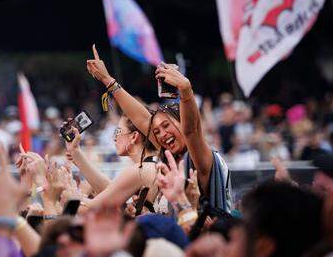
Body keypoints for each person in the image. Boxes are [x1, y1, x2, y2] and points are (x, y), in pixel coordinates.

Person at [86, 45, 232, 212]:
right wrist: (108, 81)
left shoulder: (200, 157)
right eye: (156, 132)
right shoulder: (172, 161)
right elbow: (142, 119)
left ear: (181, 122)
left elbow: (191, 131)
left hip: (212, 237)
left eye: (166, 125)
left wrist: (185, 89)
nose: (162, 134)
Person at [64, 115, 160, 211]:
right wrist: (75, 152)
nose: (114, 138)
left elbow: (98, 206)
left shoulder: (140, 169)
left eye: (117, 132)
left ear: (134, 136)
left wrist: (66, 190)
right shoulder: (151, 163)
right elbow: (110, 191)